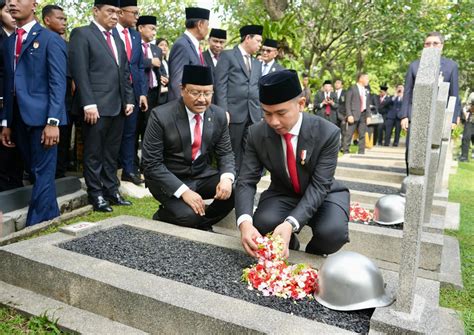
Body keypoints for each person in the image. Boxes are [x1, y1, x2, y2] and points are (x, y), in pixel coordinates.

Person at [235, 70, 349, 258]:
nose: (274, 122)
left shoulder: (327, 133)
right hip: (284, 192)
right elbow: (246, 180)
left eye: (281, 113)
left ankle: (313, 254)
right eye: (267, 114)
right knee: (262, 222)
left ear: (301, 104)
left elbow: (320, 186)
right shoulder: (256, 134)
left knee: (333, 233)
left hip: (324, 194)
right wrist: (244, 223)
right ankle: (291, 245)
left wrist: (290, 223)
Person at [142, 65, 235, 231]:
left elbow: (226, 153)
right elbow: (151, 164)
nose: (202, 99)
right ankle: (163, 216)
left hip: (200, 175)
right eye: (195, 92)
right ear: (182, 90)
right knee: (188, 216)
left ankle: (202, 223)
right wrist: (184, 191)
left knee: (236, 189)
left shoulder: (219, 115)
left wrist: (226, 179)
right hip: (168, 178)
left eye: (207, 93)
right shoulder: (160, 116)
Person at [1, 0, 67, 225]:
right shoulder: (9, 43)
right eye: (9, 1)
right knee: (36, 172)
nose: (12, 4)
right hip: (17, 119)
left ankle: (35, 224)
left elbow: (58, 83)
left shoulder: (50, 39)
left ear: (34, 4)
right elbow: (8, 83)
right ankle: (51, 216)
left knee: (43, 172)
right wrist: (6, 123)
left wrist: (53, 121)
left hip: (43, 120)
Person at [69, 0, 134, 212]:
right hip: (95, 106)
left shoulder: (117, 37)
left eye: (117, 12)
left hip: (118, 105)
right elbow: (80, 71)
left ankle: (111, 191)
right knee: (94, 152)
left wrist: (129, 99)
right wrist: (88, 103)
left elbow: (124, 72)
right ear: (96, 11)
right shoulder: (82, 34)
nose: (115, 16)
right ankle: (96, 194)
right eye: (110, 11)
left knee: (111, 153)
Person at [400, 32, 461, 173]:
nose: (431, 46)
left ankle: (430, 181)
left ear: (442, 46)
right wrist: (404, 116)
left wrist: (452, 119)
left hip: (439, 115)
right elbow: (407, 93)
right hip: (416, 115)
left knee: (434, 150)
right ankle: (411, 179)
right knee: (412, 149)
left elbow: (454, 94)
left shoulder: (451, 66)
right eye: (427, 44)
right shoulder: (414, 66)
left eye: (435, 43)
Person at [214, 24, 263, 174]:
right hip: (234, 113)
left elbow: (258, 89)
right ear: (247, 38)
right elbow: (220, 85)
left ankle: (244, 183)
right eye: (258, 41)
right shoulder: (228, 55)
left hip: (253, 114)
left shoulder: (257, 63)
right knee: (232, 151)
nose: (260, 45)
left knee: (250, 151)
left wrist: (261, 113)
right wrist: (224, 111)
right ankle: (230, 182)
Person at [114, 0, 147, 185]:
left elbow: (140, 66)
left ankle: (128, 170)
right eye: (134, 13)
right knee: (112, 133)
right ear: (120, 12)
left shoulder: (135, 36)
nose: (137, 16)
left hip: (133, 93)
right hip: (113, 91)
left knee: (130, 133)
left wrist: (141, 92)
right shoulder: (110, 33)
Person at [42, 5, 74, 179]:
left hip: (67, 93)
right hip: (47, 95)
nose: (64, 22)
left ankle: (60, 172)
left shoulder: (66, 44)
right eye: (60, 18)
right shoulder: (39, 40)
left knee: (65, 130)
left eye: (65, 19)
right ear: (47, 20)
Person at [0, 0, 23, 192]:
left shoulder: (24, 38)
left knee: (16, 148)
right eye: (8, 11)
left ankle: (15, 184)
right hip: (3, 100)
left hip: (20, 105)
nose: (13, 15)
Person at [168, 7, 209, 101]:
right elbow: (177, 83)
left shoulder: (194, 46)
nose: (208, 29)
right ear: (200, 24)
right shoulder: (182, 45)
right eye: (207, 25)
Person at [342, 73, 372, 154]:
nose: (368, 80)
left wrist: (368, 116)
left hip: (363, 114)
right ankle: (346, 151)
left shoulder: (367, 90)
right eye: (366, 78)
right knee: (349, 134)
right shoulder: (352, 88)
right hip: (353, 114)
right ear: (361, 79)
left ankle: (361, 152)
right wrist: (349, 115)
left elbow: (367, 104)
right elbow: (347, 103)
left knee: (362, 134)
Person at [156, 37, 169, 105]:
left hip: (169, 96)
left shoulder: (168, 62)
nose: (164, 47)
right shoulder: (155, 62)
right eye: (161, 45)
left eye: (166, 45)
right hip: (159, 97)